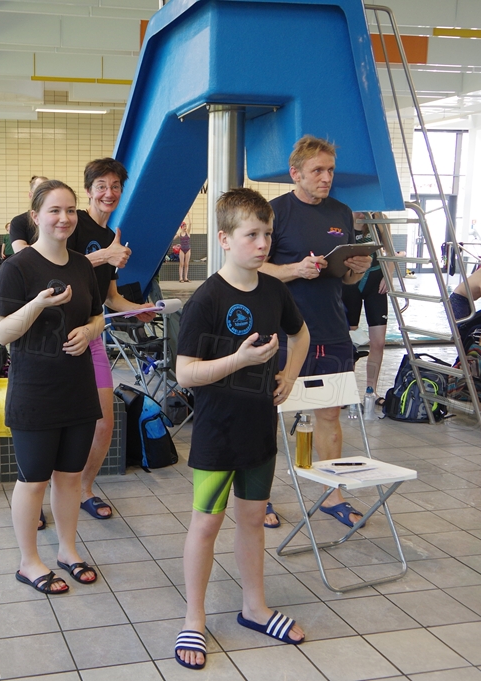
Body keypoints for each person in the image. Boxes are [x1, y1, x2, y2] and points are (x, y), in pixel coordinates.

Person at [173, 188, 309, 669]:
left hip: (259, 428)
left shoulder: (274, 290)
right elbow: (185, 374)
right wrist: (239, 360)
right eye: (252, 235)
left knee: (253, 519)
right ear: (225, 239)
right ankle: (194, 618)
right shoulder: (207, 299)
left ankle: (255, 607)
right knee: (206, 523)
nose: (263, 243)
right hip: (216, 432)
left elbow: (301, 332)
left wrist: (290, 375)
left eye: (267, 234)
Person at [0, 180, 106, 594]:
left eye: (70, 210)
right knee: (34, 480)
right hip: (34, 392)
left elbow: (98, 316)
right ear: (35, 217)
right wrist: (39, 303)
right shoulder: (17, 268)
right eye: (55, 210)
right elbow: (2, 333)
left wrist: (89, 332)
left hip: (77, 387)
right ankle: (28, 562)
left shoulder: (81, 265)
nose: (64, 218)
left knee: (70, 478)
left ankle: (67, 550)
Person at [259, 135, 372, 529]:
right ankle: (260, 496)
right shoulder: (274, 213)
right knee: (268, 415)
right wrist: (295, 270)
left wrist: (356, 270)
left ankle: (332, 495)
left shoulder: (341, 212)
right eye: (318, 171)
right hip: (284, 332)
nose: (326, 178)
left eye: (330, 170)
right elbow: (253, 267)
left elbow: (346, 278)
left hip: (331, 329)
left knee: (329, 414)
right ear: (296, 174)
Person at [68, 158, 154, 520]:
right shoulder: (72, 222)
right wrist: (106, 255)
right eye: (101, 186)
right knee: (54, 424)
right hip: (58, 335)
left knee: (104, 423)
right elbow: (56, 266)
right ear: (88, 190)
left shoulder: (110, 237)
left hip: (93, 333)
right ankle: (38, 497)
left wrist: (138, 309)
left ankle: (83, 490)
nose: (109, 192)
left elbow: (110, 297)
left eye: (115, 186)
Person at [342, 212, 392, 406]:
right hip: (349, 284)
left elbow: (391, 252)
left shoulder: (379, 219)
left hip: (375, 284)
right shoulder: (342, 219)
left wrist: (388, 275)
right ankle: (346, 391)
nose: (362, 212)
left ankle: (371, 391)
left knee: (378, 342)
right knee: (349, 343)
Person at [10, 175, 49, 253]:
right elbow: (20, 250)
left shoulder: (59, 220)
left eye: (48, 192)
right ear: (31, 195)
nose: (44, 196)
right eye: (40, 192)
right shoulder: (19, 221)